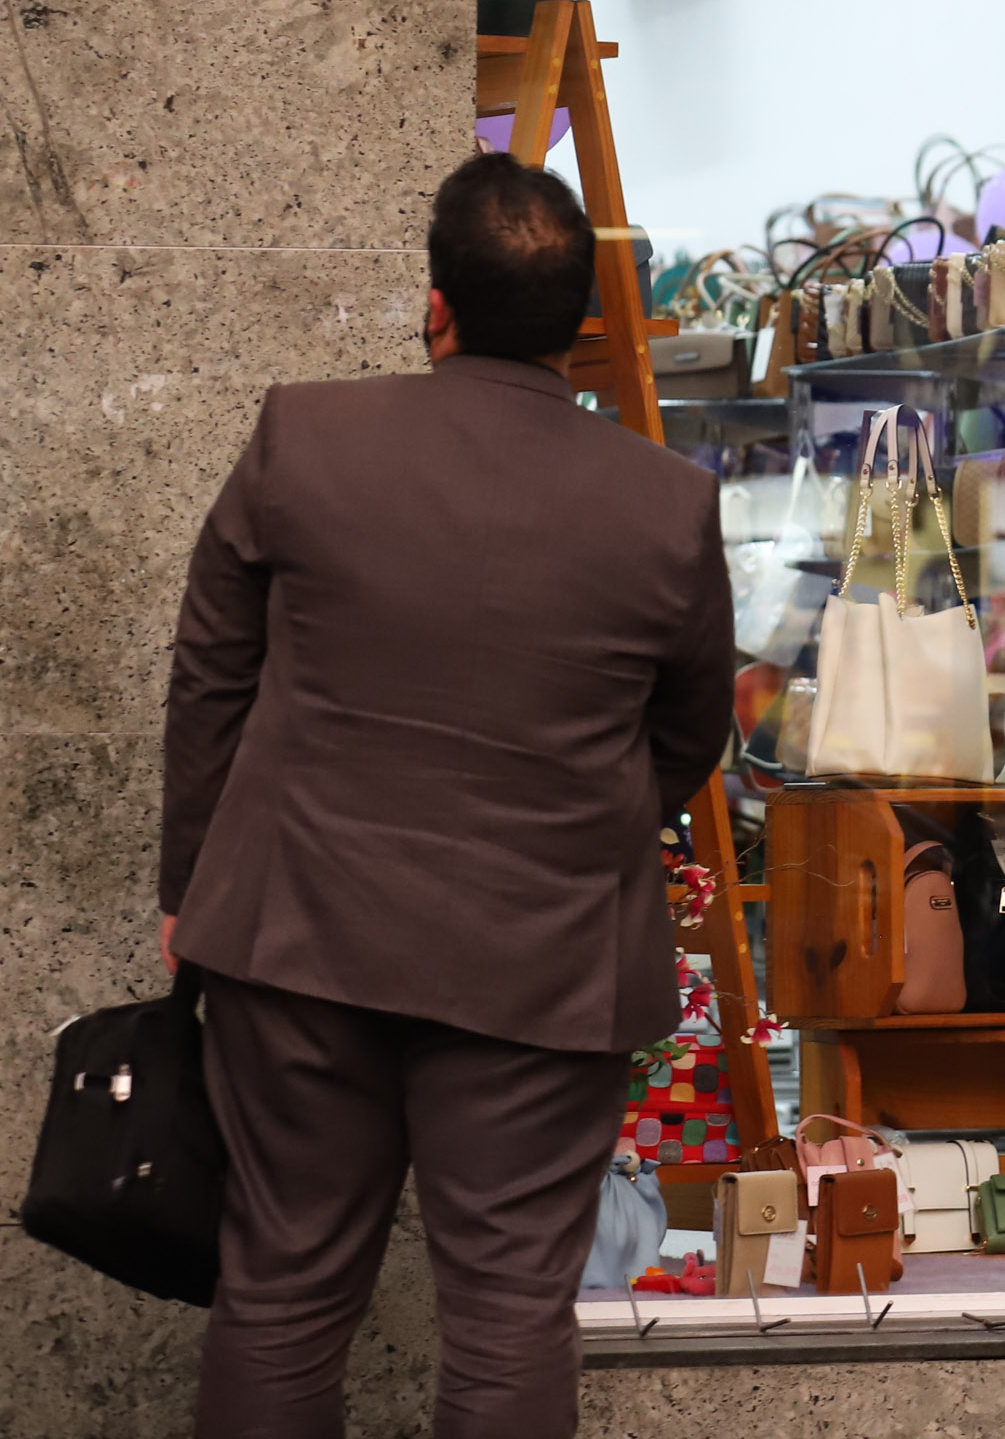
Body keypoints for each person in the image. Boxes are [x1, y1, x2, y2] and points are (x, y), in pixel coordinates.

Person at [161, 152, 733, 1438]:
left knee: (283, 1289)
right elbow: (690, 727)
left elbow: (212, 671)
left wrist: (188, 883)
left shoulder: (305, 433)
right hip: (544, 961)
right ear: (583, 326)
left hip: (300, 929)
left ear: (437, 304)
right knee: (510, 1313)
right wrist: (577, 831)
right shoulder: (668, 505)